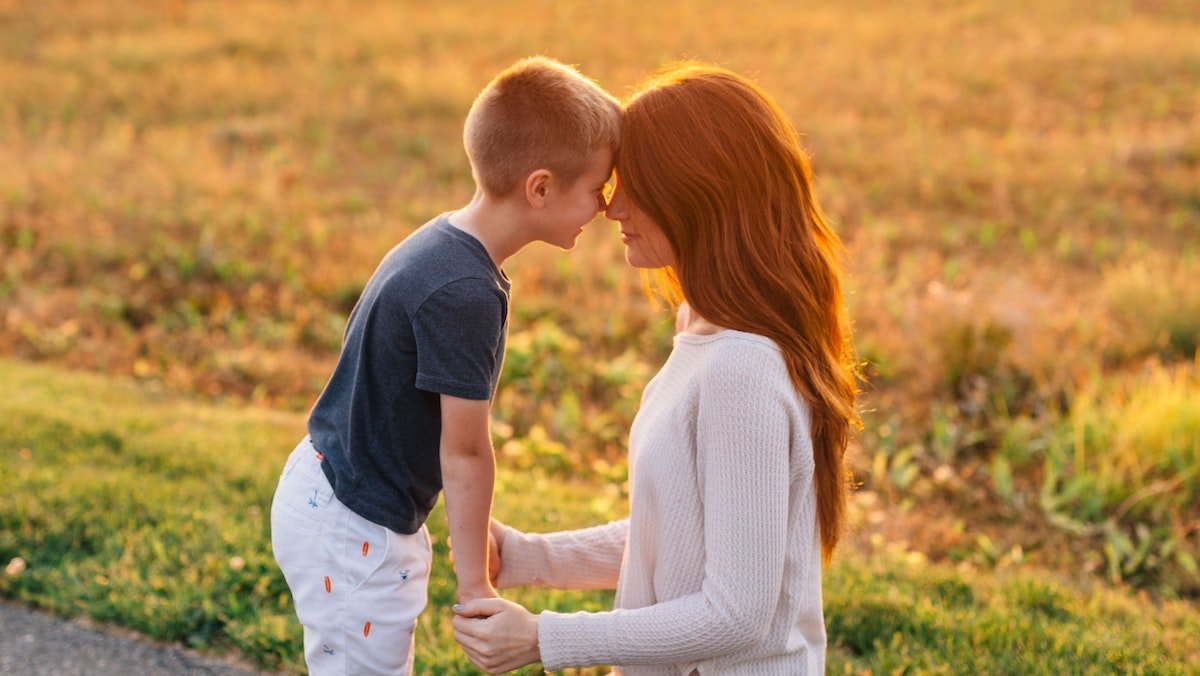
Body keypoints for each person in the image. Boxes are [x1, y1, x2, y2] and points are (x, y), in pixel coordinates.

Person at [451, 62, 860, 675]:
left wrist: (544, 638)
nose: (612, 207)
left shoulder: (742, 370)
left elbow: (735, 615)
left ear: (696, 194)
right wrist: (525, 557)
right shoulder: (704, 330)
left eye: (634, 185)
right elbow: (679, 539)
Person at [270, 56, 620, 675]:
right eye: (598, 188)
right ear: (540, 188)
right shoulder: (464, 293)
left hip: (338, 492)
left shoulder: (446, 244)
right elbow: (464, 452)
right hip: (355, 527)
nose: (605, 206)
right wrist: (475, 586)